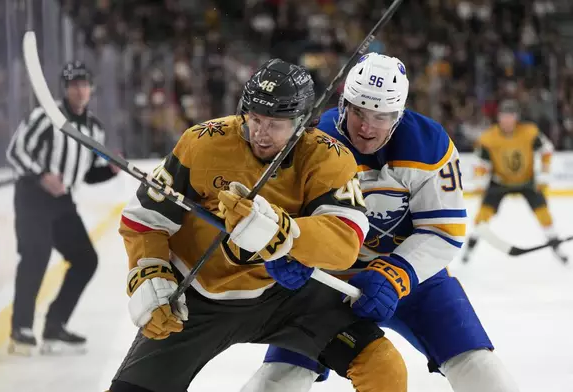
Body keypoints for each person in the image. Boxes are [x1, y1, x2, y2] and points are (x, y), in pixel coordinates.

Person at [108, 58, 407, 392]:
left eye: (276, 124)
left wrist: (284, 233)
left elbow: (345, 240)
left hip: (286, 297)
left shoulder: (328, 157)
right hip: (197, 298)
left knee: (384, 367)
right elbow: (145, 218)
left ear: (301, 124)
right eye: (254, 119)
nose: (260, 133)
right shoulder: (202, 143)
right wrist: (149, 269)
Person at [240, 53, 520, 392]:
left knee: (483, 373)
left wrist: (397, 273)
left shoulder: (429, 145)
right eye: (358, 110)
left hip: (415, 281)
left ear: (399, 113)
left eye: (382, 115)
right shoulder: (310, 141)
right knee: (276, 382)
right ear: (343, 102)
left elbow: (443, 231)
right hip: (326, 284)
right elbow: (281, 218)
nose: (366, 127)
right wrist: (284, 251)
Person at [6, 60, 119, 355]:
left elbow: (86, 173)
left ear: (91, 89)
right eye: (73, 85)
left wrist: (111, 170)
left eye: (83, 84)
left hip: (63, 202)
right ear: (65, 88)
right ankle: (21, 329)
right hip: (33, 196)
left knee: (85, 259)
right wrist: (42, 175)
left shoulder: (95, 128)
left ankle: (55, 325)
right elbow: (15, 151)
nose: (79, 90)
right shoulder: (46, 117)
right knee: (36, 255)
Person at [462, 99, 567, 263]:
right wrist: (480, 181)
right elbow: (480, 162)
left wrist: (544, 174)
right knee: (482, 216)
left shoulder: (529, 132)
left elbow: (547, 150)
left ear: (516, 117)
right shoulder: (488, 138)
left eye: (511, 116)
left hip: (527, 181)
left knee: (544, 214)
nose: (507, 120)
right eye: (504, 116)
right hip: (500, 182)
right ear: (499, 117)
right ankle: (469, 249)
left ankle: (557, 248)